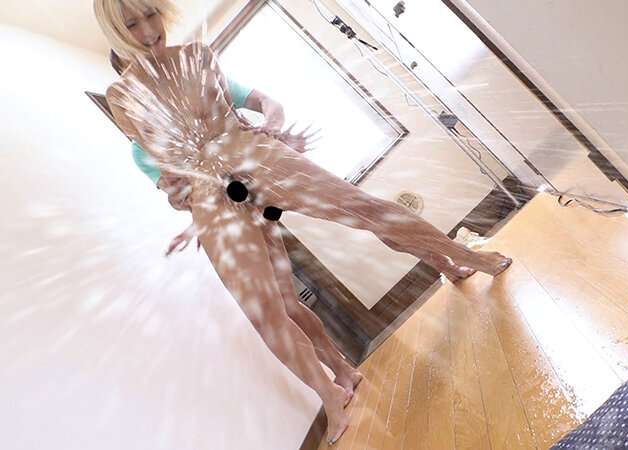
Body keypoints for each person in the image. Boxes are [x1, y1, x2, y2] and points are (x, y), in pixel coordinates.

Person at [94, 0, 512, 444]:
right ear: (116, 33)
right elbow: (170, 170)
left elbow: (241, 113)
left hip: (254, 154)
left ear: (162, 11)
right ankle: (331, 397)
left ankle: (465, 258)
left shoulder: (198, 54)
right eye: (131, 24)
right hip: (211, 195)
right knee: (264, 310)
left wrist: (271, 126)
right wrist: (180, 195)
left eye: (150, 15)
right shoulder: (121, 97)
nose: (147, 31)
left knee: (364, 208)